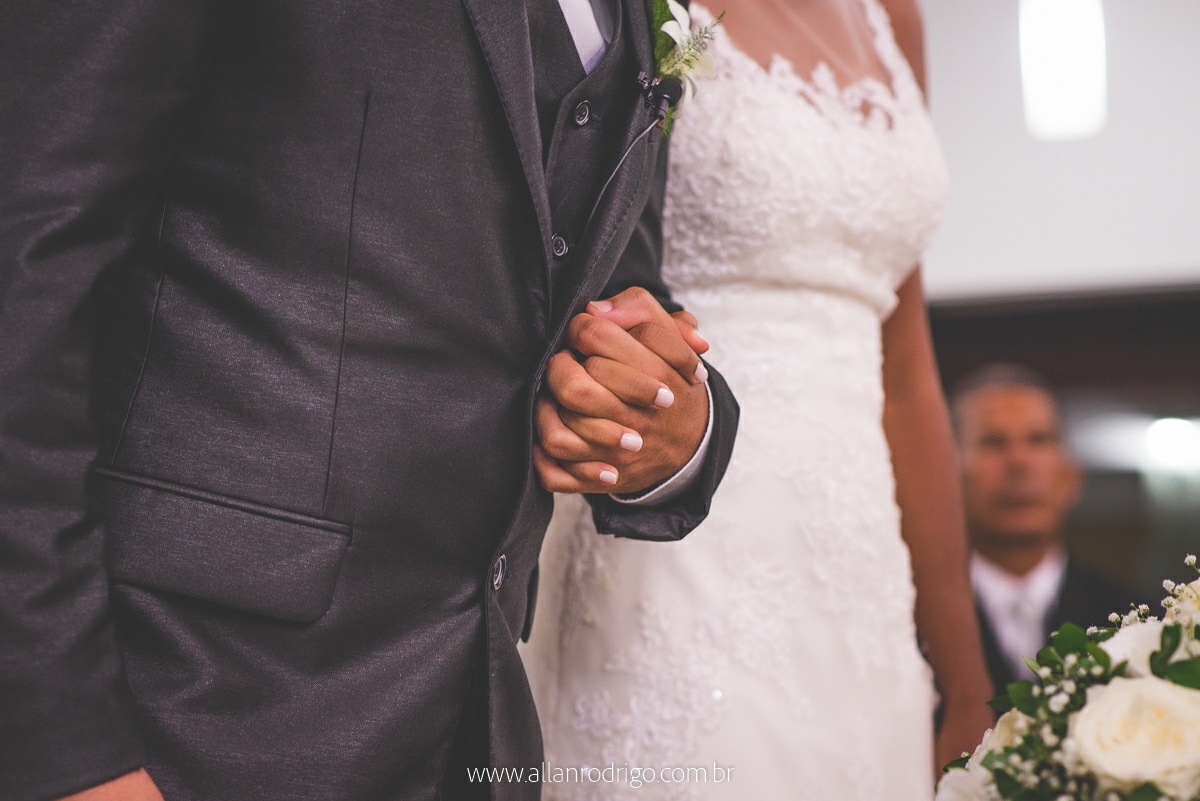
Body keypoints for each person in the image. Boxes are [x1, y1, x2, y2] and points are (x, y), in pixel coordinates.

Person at [0, 2, 741, 800]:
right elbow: (28, 267)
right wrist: (68, 752)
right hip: (187, 704)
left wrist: (674, 426)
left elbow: (616, 281)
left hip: (471, 718)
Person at [522, 0, 994, 798]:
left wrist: (963, 663)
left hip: (860, 563)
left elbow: (907, 370)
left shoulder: (894, 18)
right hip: (677, 516)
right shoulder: (635, 11)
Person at [952, 364, 1143, 695]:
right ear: (951, 477)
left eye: (1038, 440)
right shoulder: (915, 627)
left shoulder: (1138, 621)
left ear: (1071, 477)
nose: (1019, 462)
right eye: (993, 442)